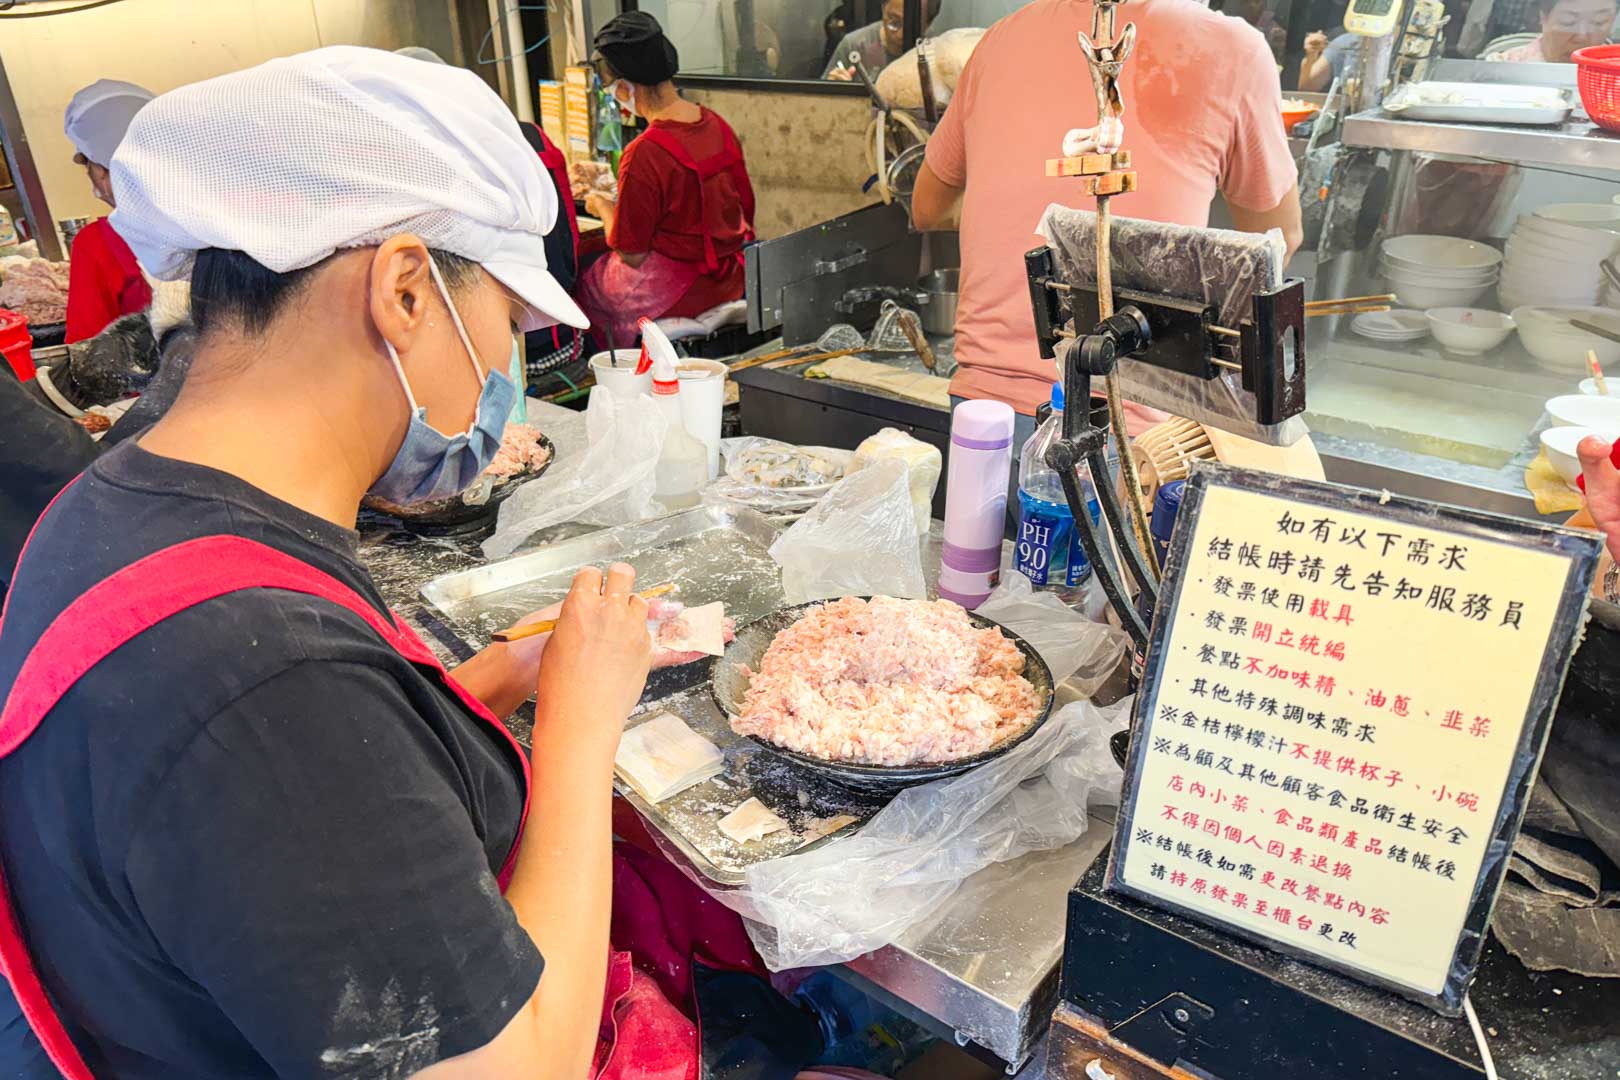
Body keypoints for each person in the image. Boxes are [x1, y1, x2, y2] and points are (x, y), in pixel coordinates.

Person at [0, 47, 746, 1077]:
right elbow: (518, 1066)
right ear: (403, 292)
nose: (506, 375)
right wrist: (582, 720)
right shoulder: (260, 681)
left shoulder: (120, 509)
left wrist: (498, 678)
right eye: (508, 324)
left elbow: (312, 820)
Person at [911, 0, 1302, 509]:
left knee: (972, 580)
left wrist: (1008, 204)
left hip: (982, 421)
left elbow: (926, 208)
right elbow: (1277, 244)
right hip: (1130, 437)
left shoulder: (999, 39)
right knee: (1095, 589)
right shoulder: (1232, 49)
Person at [574, 12, 755, 349]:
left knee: (583, 283)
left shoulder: (645, 152)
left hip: (677, 293)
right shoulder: (718, 125)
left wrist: (601, 205)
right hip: (728, 278)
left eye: (613, 86)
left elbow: (631, 253)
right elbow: (745, 210)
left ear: (626, 85)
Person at [61, 79, 155, 344]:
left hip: (166, 385)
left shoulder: (97, 244)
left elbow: (89, 352)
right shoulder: (214, 218)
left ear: (101, 173)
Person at [824, 0, 942, 78]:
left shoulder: (937, 50)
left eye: (912, 27)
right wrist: (834, 90)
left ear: (929, 23)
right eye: (894, 22)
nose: (901, 35)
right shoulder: (853, 45)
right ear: (883, 8)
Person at [1488, 0, 1616, 60]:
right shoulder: (1505, 66)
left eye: (1599, 21)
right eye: (1569, 22)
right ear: (1543, 18)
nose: (1582, 36)